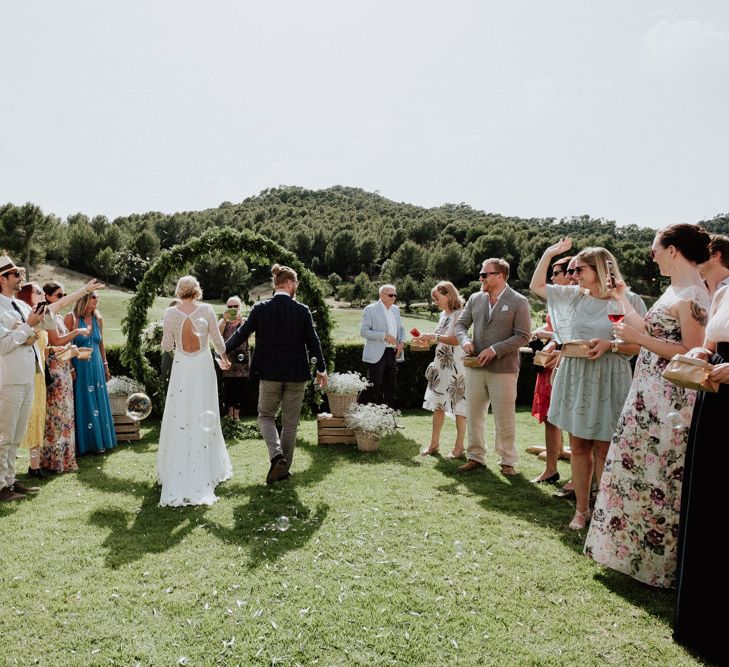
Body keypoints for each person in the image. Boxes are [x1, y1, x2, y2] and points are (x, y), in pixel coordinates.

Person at [585, 224, 711, 586]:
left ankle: (660, 566)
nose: (651, 256)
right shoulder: (673, 290)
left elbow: (692, 351)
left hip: (672, 396)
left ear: (673, 250)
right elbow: (652, 331)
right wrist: (622, 299)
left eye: (655, 249)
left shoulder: (693, 295)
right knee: (638, 471)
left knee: (660, 475)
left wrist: (638, 338)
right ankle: (633, 556)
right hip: (647, 392)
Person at [531, 240, 640, 530]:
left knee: (604, 448)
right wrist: (549, 253)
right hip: (576, 374)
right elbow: (537, 287)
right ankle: (582, 511)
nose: (573, 273)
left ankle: (605, 511)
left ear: (600, 269)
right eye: (571, 269)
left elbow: (638, 346)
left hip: (610, 377)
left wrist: (611, 346)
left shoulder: (627, 299)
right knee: (578, 445)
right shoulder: (573, 297)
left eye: (578, 268)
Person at [225, 264, 328, 484]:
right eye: (296, 284)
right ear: (289, 284)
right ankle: (283, 469)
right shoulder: (302, 310)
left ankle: (276, 456)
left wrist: (222, 350)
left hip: (269, 374)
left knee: (265, 416)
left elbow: (241, 334)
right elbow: (313, 342)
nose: (296, 287)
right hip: (296, 376)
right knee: (290, 424)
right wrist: (322, 369)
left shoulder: (261, 309)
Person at [673, 285, 729, 663]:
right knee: (710, 501)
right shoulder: (725, 291)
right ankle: (701, 620)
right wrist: (699, 352)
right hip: (717, 398)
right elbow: (710, 342)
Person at [157, 276, 233, 506]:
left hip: (182, 366)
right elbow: (218, 341)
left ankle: (177, 468)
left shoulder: (171, 313)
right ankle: (207, 468)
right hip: (202, 366)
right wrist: (225, 359)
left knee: (180, 413)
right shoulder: (207, 309)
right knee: (204, 412)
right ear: (197, 290)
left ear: (179, 292)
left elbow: (166, 346)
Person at [455, 258, 531, 476]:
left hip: (504, 369)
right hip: (475, 368)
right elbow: (461, 324)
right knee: (474, 415)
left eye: (484, 274)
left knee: (504, 417)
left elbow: (523, 336)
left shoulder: (519, 301)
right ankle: (475, 457)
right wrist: (465, 341)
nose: (480, 278)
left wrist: (495, 349)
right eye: (481, 274)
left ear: (500, 275)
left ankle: (507, 461)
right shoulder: (475, 298)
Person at [40, 279, 105, 473]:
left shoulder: (58, 317)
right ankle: (53, 461)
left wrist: (75, 352)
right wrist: (77, 332)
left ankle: (66, 459)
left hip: (64, 369)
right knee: (57, 417)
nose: (63, 299)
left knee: (67, 416)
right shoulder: (48, 315)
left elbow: (63, 347)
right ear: (48, 297)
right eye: (59, 296)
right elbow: (55, 341)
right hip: (55, 372)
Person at [0, 255, 45, 501]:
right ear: (2, 279)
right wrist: (27, 329)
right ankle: (1, 486)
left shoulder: (23, 305)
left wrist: (29, 329)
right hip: (8, 378)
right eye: (16, 274)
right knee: (4, 434)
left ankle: (9, 480)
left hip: (28, 376)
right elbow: (2, 346)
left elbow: (35, 330)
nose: (21, 278)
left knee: (17, 435)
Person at [527, 255, 572, 483]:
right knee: (549, 417)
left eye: (556, 273)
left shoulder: (579, 300)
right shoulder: (558, 300)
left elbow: (574, 333)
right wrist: (549, 343)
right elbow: (559, 331)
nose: (552, 277)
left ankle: (579, 476)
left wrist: (552, 339)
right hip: (550, 362)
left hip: (569, 361)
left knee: (573, 420)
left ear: (570, 275)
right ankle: (551, 469)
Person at [417, 281, 467, 459]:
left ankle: (459, 447)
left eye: (437, 298)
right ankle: (433, 445)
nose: (435, 302)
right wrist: (427, 340)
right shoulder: (442, 315)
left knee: (459, 407)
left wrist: (434, 336)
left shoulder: (461, 314)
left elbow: (456, 340)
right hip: (440, 364)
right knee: (438, 404)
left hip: (456, 367)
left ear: (448, 295)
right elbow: (441, 339)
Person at [64, 290, 116, 455]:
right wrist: (71, 366)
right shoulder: (71, 318)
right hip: (79, 366)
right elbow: (65, 344)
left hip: (96, 365)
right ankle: (83, 444)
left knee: (98, 401)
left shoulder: (98, 319)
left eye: (98, 297)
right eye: (94, 297)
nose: (97, 299)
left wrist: (106, 365)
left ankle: (100, 441)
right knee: (83, 402)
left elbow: (101, 344)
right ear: (85, 298)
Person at [360, 284, 405, 408]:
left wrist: (402, 343)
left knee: (391, 386)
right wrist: (384, 335)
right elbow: (364, 332)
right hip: (376, 353)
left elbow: (401, 329)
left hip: (392, 352)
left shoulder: (396, 309)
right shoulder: (370, 309)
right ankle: (365, 415)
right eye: (391, 295)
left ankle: (389, 419)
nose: (393, 297)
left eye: (395, 295)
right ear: (381, 295)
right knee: (374, 385)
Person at [218, 296, 250, 420]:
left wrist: (241, 321)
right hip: (227, 359)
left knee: (241, 386)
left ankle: (237, 414)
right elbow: (218, 335)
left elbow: (249, 334)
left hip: (242, 360)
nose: (232, 309)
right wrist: (225, 321)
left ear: (240, 307)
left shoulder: (245, 321)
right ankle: (229, 413)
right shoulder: (223, 322)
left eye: (235, 306)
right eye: (230, 307)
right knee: (228, 386)